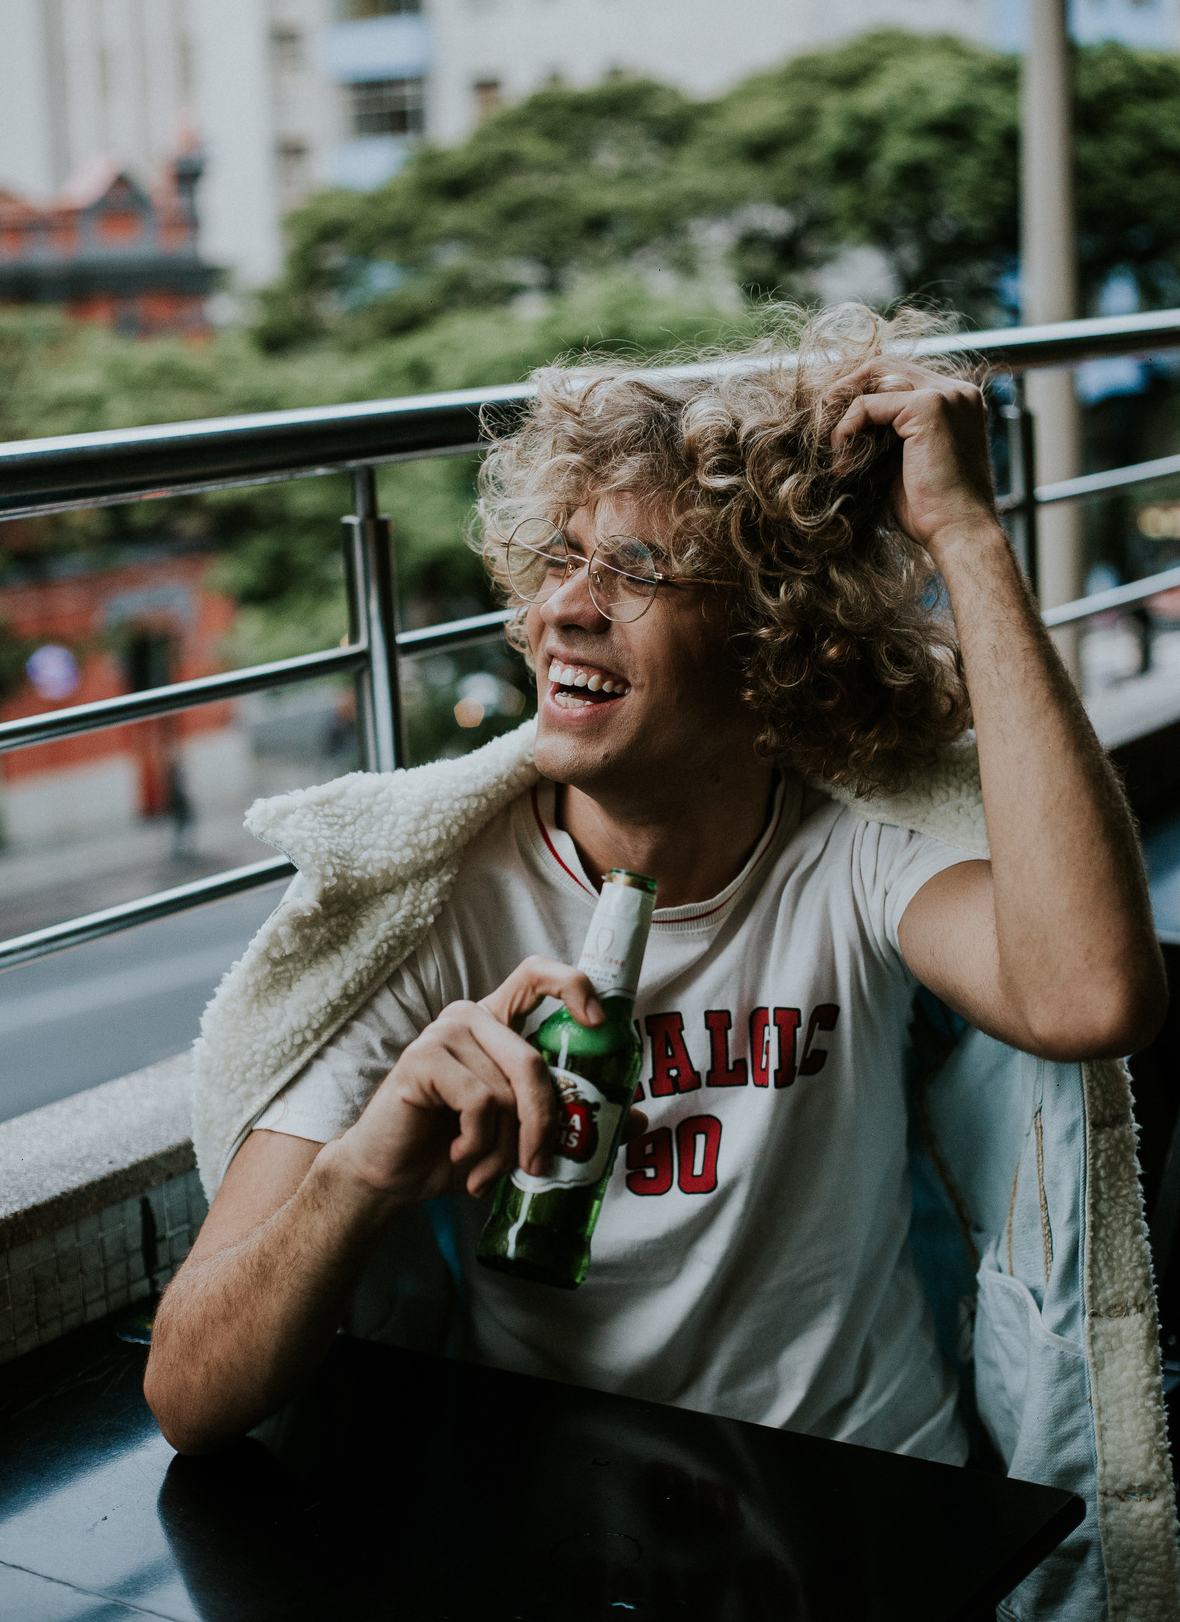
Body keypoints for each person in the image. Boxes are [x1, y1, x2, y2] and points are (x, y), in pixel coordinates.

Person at [144, 310, 1165, 1489]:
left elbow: (1093, 997)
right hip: (556, 1508)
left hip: (868, 1499)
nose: (565, 609)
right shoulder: (439, 906)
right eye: (560, 558)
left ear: (772, 639)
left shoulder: (851, 857)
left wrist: (967, 536)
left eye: (636, 570)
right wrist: (366, 1165)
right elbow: (188, 1394)